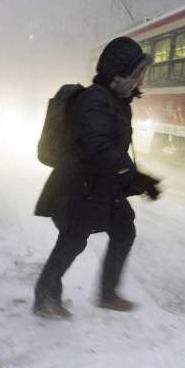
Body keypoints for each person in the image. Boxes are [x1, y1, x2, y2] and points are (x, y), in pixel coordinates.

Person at [32, 36, 161, 320]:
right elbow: (97, 145)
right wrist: (134, 175)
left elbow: (112, 149)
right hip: (79, 186)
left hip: (102, 186)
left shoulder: (117, 102)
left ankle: (107, 294)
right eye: (136, 75)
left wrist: (132, 178)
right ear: (118, 74)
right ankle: (44, 297)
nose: (140, 82)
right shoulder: (94, 100)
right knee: (73, 241)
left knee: (124, 231)